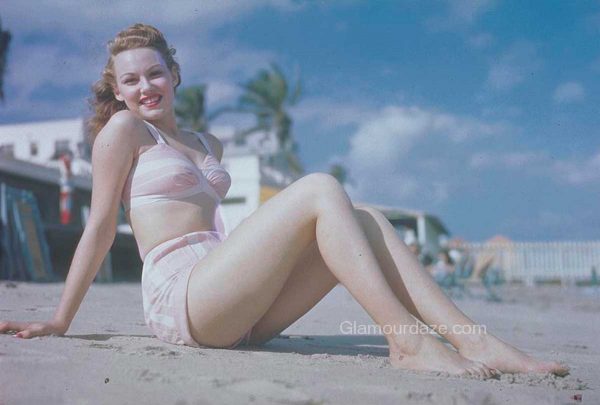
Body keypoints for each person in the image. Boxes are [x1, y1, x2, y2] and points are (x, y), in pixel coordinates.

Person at [0, 23, 568, 378]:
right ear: (117, 89)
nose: (145, 87)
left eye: (155, 73)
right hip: (182, 296)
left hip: (232, 296)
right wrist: (59, 318)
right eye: (131, 80)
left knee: (364, 216)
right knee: (321, 187)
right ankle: (407, 342)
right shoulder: (124, 132)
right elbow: (99, 228)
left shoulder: (207, 142)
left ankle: (478, 341)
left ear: (175, 74)